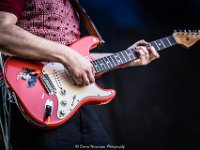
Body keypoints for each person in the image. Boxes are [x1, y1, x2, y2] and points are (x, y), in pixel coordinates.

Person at [0, 0, 160, 150]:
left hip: (73, 102)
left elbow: (80, 62)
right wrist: (66, 55)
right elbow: (2, 32)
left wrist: (126, 58)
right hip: (33, 100)